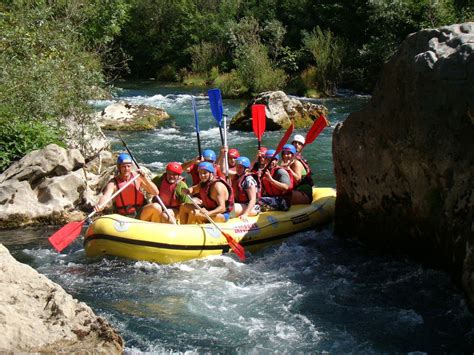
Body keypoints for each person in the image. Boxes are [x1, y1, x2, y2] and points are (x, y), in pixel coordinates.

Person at [94, 153, 161, 221]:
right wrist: (100, 205)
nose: (126, 169)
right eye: (123, 166)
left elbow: (155, 192)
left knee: (156, 207)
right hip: (123, 216)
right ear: (119, 167)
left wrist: (145, 179)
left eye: (128, 166)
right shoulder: (113, 183)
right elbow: (106, 196)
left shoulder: (138, 177)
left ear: (131, 167)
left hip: (139, 214)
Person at [231, 156, 260, 221]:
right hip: (241, 204)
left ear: (246, 169)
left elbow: (253, 200)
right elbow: (224, 171)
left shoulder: (249, 180)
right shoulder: (236, 177)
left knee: (231, 209)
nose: (238, 169)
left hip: (252, 207)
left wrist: (245, 214)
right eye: (237, 167)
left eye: (240, 167)